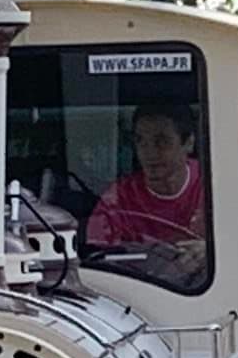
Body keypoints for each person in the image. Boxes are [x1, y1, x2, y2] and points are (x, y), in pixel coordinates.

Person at [84, 96, 209, 281]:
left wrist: (210, 251)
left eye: (162, 141)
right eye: (141, 141)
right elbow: (97, 260)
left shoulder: (214, 185)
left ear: (188, 143)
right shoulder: (117, 198)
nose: (149, 152)